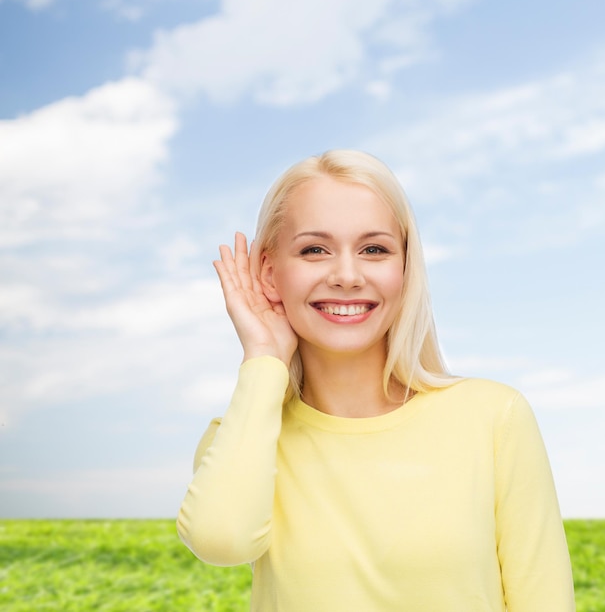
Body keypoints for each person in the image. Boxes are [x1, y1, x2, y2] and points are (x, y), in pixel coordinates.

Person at [176, 150, 576, 611]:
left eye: (374, 249)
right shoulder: (243, 437)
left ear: (405, 269)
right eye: (314, 250)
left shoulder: (493, 417)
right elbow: (221, 542)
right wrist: (264, 359)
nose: (347, 276)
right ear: (269, 273)